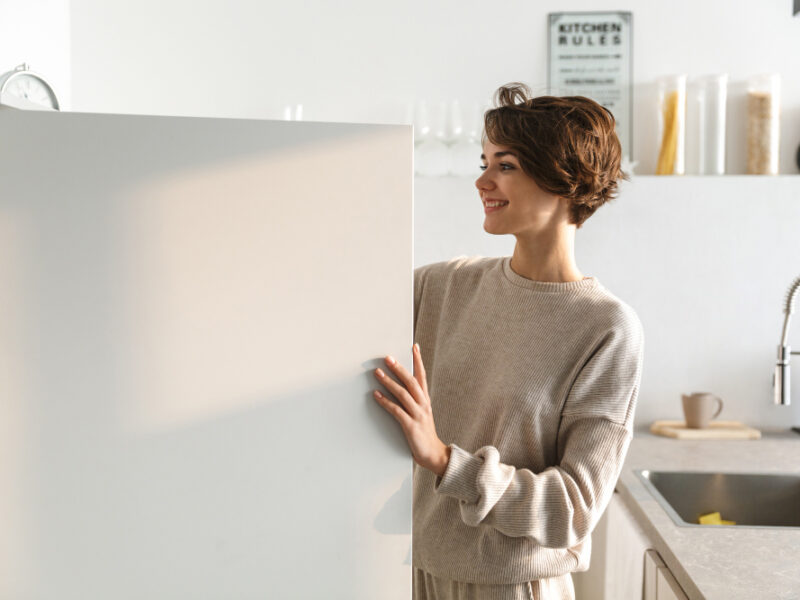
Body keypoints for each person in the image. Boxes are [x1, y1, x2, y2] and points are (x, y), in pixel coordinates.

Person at [372, 82, 644, 600]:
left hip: (515, 587)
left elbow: (573, 509)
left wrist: (443, 460)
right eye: (484, 161)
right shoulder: (439, 286)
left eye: (506, 165)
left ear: (565, 180)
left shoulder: (606, 328)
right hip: (413, 574)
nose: (482, 180)